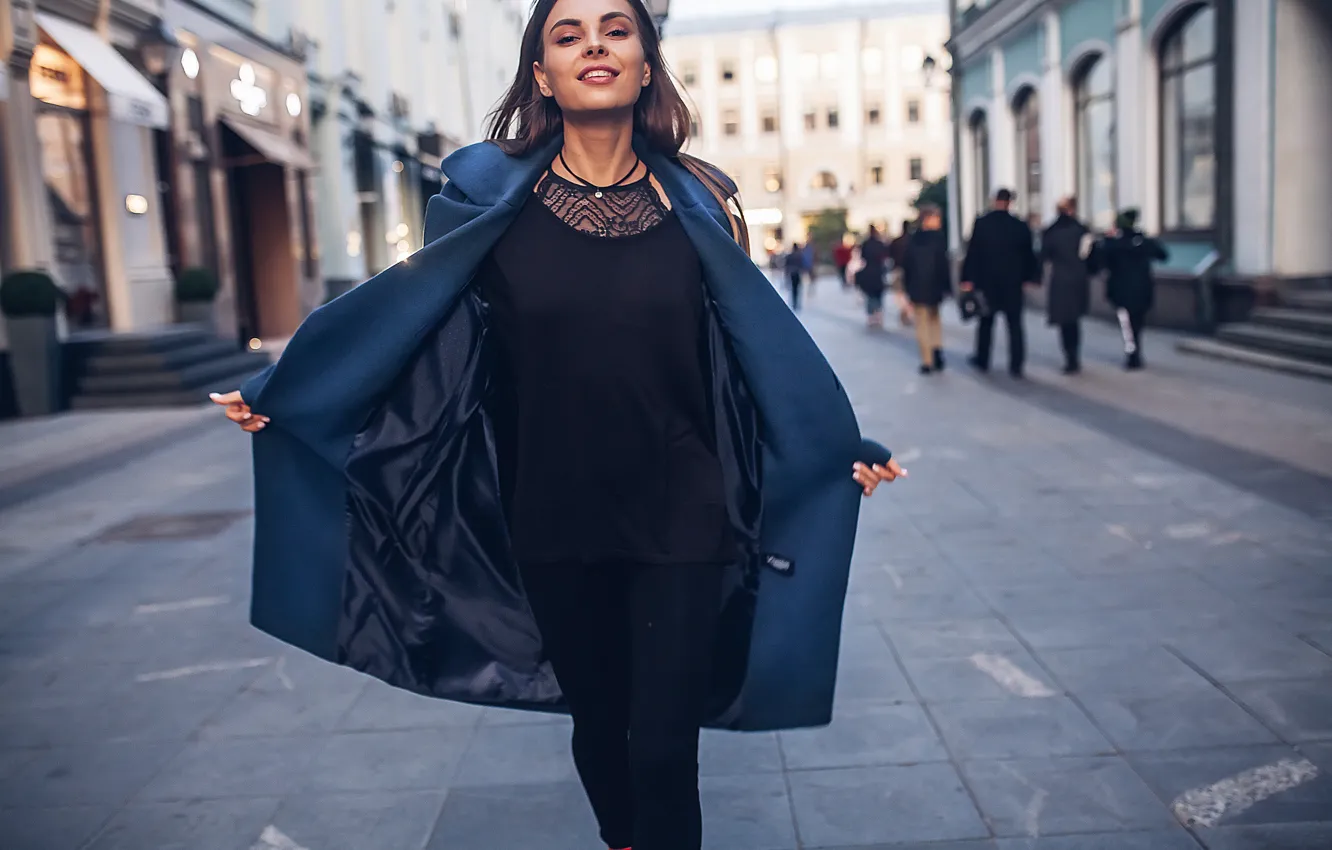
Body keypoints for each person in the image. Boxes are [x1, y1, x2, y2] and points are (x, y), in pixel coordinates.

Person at [208, 1, 904, 848]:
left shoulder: (706, 205)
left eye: (615, 29)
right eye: (567, 35)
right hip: (552, 513)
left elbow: (760, 355)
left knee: (661, 748)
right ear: (543, 75)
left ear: (647, 63)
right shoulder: (484, 208)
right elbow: (404, 326)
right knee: (601, 728)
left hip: (683, 510)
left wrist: (833, 453)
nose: (594, 46)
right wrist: (300, 393)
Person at [960, 188, 1039, 377]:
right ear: (1010, 202)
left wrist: (967, 279)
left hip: (987, 283)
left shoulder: (982, 224)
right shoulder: (1019, 226)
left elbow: (973, 253)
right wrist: (1030, 277)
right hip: (1012, 283)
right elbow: (1029, 255)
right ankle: (1016, 364)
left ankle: (982, 359)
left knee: (986, 322)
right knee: (1015, 325)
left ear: (995, 200)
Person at [1101, 208, 1168, 370]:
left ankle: (1132, 355)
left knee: (1127, 325)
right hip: (1142, 289)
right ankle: (1136, 352)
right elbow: (1163, 255)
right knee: (1137, 322)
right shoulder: (1143, 241)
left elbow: (1101, 261)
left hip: (1121, 291)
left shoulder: (1113, 243)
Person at [1041, 196, 1097, 374]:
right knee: (1074, 320)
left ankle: (1069, 357)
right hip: (1078, 279)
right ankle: (1074, 356)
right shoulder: (1082, 230)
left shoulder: (1051, 231)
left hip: (1060, 280)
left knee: (1064, 321)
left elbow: (1044, 254)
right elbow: (1091, 255)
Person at [901, 204, 952, 374]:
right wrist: (947, 286)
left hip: (917, 286)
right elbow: (943, 265)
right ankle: (936, 349)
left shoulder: (913, 240)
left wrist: (907, 287)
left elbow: (907, 265)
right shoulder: (939, 239)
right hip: (935, 285)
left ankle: (927, 360)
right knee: (934, 319)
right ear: (928, 219)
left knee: (921, 323)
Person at [855, 224, 890, 328]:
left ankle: (871, 317)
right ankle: (878, 315)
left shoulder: (865, 244)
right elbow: (885, 256)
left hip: (868, 271)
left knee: (870, 295)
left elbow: (862, 257)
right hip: (878, 272)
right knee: (878, 294)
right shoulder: (880, 244)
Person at [889, 219, 913, 326]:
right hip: (911, 270)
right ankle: (907, 311)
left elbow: (890, 255)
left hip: (898, 269)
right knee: (909, 293)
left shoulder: (896, 241)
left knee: (899, 293)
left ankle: (905, 310)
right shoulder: (913, 241)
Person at [784, 240, 807, 311]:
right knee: (797, 289)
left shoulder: (790, 256)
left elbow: (786, 266)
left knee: (793, 289)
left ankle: (794, 303)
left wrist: (786, 274)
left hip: (792, 273)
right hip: (797, 273)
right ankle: (796, 303)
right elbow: (802, 265)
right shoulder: (799, 256)